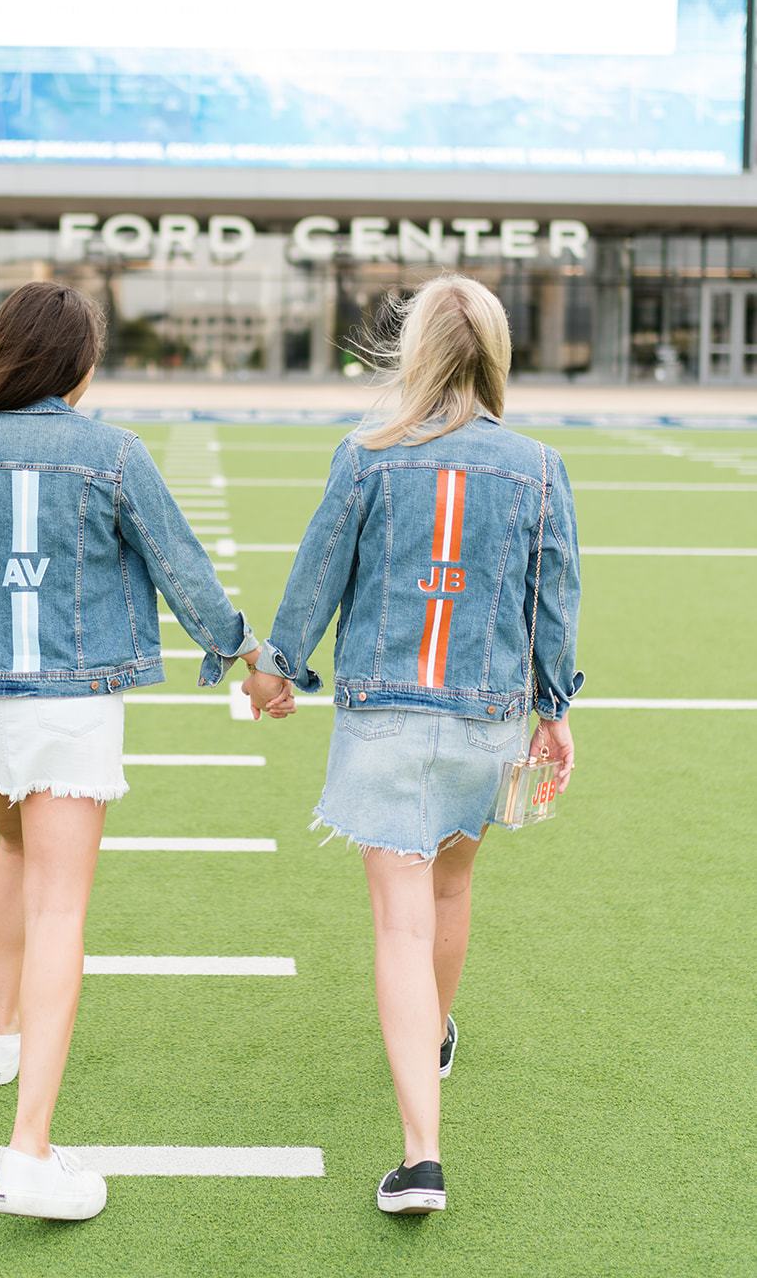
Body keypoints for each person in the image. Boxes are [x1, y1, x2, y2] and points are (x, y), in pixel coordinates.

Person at [0, 281, 279, 1223]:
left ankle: (2, 1032)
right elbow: (183, 569)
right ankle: (28, 1151)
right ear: (76, 363)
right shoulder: (111, 452)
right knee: (61, 911)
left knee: (11, 850)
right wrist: (251, 658)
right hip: (70, 708)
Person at [244, 274, 582, 1217]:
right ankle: (431, 1035)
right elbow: (552, 600)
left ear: (415, 349)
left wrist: (276, 668)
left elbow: (316, 575)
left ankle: (421, 1156)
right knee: (452, 885)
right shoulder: (536, 464)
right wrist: (555, 708)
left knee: (399, 922)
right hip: (487, 718)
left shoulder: (365, 455)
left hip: (383, 712)